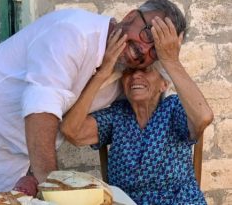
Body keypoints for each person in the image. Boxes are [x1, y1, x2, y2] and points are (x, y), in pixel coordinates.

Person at [0, 0, 186, 200]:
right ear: (130, 16)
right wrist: (51, 185)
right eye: (148, 35)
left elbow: (189, 120)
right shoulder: (73, 32)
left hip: (15, 156)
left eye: (157, 50)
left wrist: (171, 61)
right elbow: (42, 106)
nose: (145, 49)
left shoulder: (128, 75)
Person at [60, 15, 214, 204]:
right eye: (130, 72)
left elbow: (204, 117)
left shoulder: (173, 109)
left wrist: (171, 61)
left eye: (146, 71)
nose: (135, 77)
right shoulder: (117, 115)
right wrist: (102, 75)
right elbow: (70, 131)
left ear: (163, 84)